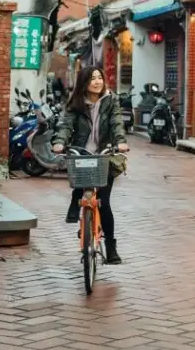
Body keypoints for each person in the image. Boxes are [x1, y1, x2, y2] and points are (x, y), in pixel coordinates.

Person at [52, 66, 129, 264]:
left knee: (104, 202)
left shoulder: (111, 100)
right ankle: (76, 198)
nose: (97, 82)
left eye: (99, 77)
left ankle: (111, 248)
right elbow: (66, 125)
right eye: (92, 78)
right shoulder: (76, 103)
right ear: (84, 83)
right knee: (80, 177)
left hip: (105, 154)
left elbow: (117, 123)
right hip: (82, 152)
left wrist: (120, 142)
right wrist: (60, 142)